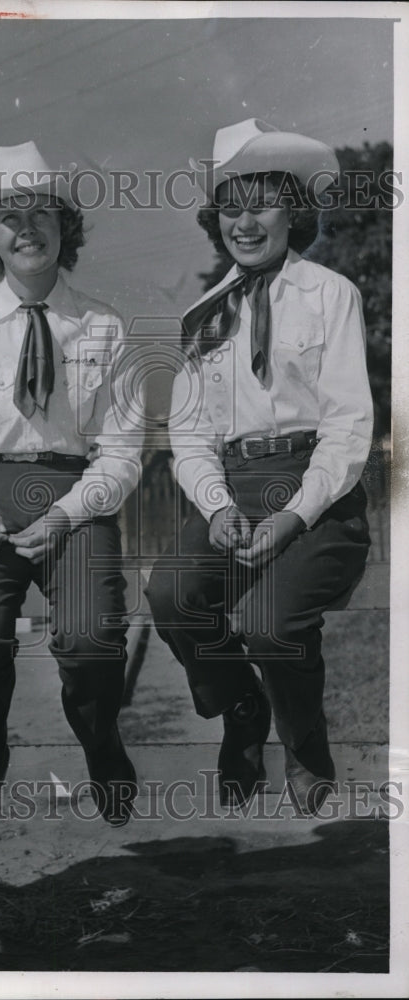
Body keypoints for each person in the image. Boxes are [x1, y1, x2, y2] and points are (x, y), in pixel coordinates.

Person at [145, 119, 373, 815]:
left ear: (291, 210)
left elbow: (346, 422)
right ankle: (240, 706)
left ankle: (304, 741)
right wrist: (216, 506)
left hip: (318, 496)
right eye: (229, 207)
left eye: (261, 203)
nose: (244, 222)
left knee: (268, 622)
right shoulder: (198, 316)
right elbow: (189, 436)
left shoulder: (329, 294)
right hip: (234, 490)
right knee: (171, 597)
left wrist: (296, 513)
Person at [0, 141, 144, 826]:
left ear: (64, 227)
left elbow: (123, 451)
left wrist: (68, 515)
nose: (26, 228)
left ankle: (99, 734)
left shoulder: (103, 325)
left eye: (42, 212)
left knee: (90, 637)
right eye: (7, 216)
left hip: (76, 496)